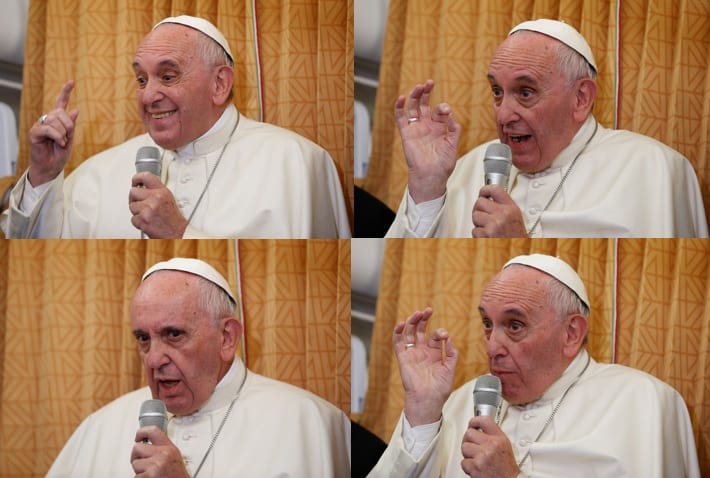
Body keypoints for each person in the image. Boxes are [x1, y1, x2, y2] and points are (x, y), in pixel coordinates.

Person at [1, 15, 351, 239]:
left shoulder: (295, 163)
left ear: (219, 85)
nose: (149, 94)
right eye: (141, 79)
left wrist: (180, 233)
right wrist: (43, 176)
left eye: (168, 76)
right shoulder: (96, 174)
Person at [368, 254, 700, 477]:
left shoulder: (641, 402)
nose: (492, 347)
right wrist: (422, 414)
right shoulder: (461, 400)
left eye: (514, 326)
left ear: (571, 333)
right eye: (487, 324)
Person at [385, 19, 708, 238]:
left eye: (525, 93)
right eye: (497, 92)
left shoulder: (651, 167)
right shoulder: (466, 166)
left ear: (581, 98)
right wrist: (427, 186)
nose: (503, 115)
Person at [46, 258, 351, 477]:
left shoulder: (307, 423)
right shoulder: (100, 428)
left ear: (227, 338)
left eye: (174, 334)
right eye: (143, 338)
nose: (153, 359)